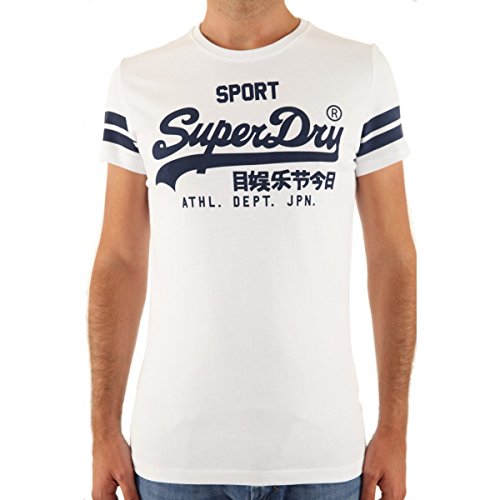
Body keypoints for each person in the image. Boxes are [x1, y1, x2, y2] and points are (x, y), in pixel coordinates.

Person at [88, 1, 417, 499]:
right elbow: (119, 258)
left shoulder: (359, 71)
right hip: (175, 458)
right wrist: (101, 430)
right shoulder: (139, 81)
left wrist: (395, 427)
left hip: (321, 456)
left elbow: (393, 255)